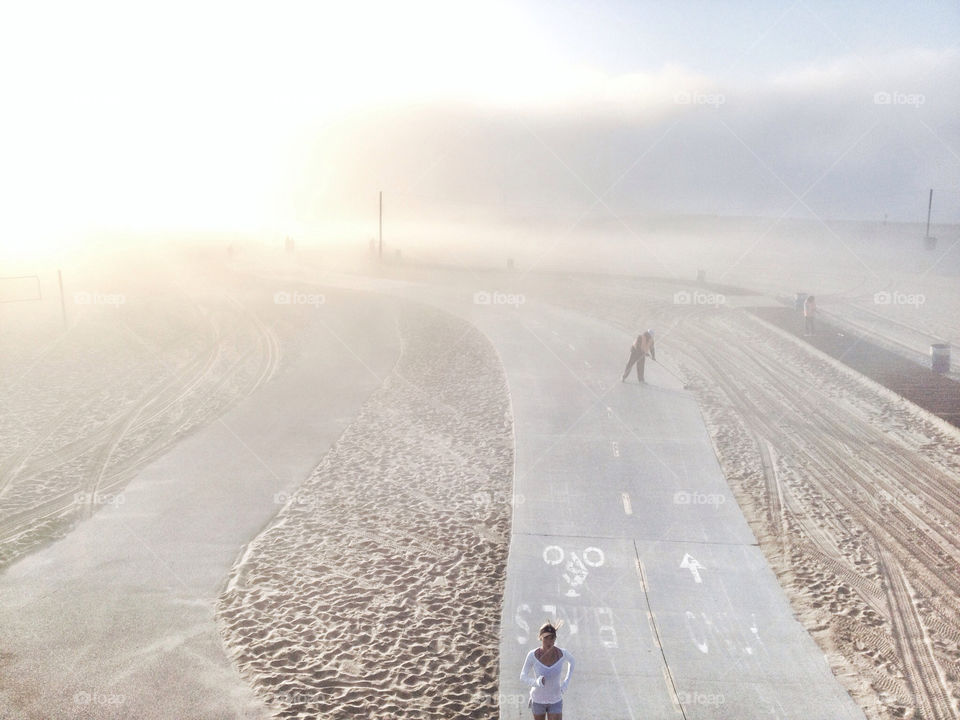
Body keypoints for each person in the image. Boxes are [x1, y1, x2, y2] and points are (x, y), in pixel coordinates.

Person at [520, 622, 575, 719]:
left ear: (555, 638)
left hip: (555, 699)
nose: (549, 641)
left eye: (552, 638)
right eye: (546, 638)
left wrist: (566, 683)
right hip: (537, 700)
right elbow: (523, 676)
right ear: (540, 637)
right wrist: (536, 682)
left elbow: (572, 661)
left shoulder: (562, 654)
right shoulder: (532, 655)